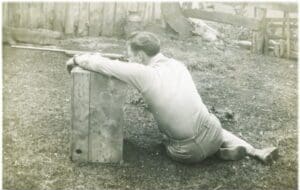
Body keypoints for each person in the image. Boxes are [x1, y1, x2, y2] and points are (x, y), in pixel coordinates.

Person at [66, 31, 278, 164]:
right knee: (213, 126)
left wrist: (77, 58)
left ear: (140, 56)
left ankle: (211, 154)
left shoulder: (145, 74)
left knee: (165, 143)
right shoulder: (178, 65)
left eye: (130, 55)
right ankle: (253, 151)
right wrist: (131, 63)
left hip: (187, 151)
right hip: (212, 130)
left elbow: (103, 65)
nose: (129, 59)